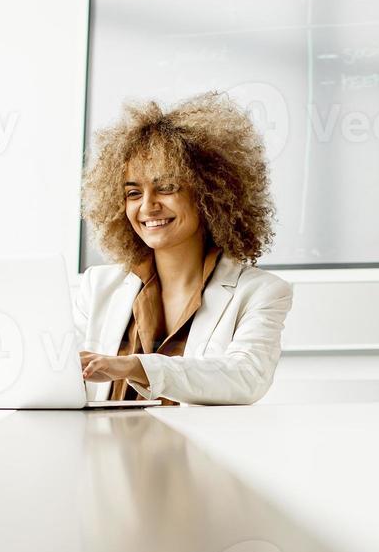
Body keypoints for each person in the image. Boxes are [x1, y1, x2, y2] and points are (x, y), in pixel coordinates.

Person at [76, 91, 293, 406]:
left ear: (209, 192)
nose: (148, 206)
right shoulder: (97, 287)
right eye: (134, 193)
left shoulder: (262, 292)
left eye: (166, 188)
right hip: (102, 453)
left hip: (195, 454)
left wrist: (136, 366)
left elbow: (246, 377)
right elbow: (56, 374)